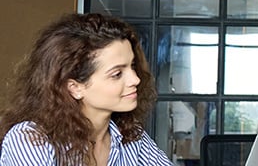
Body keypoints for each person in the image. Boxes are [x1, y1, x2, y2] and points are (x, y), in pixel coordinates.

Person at [0, 13, 172, 165]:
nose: (135, 79)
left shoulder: (132, 137)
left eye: (132, 66)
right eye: (117, 74)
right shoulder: (30, 139)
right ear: (75, 88)